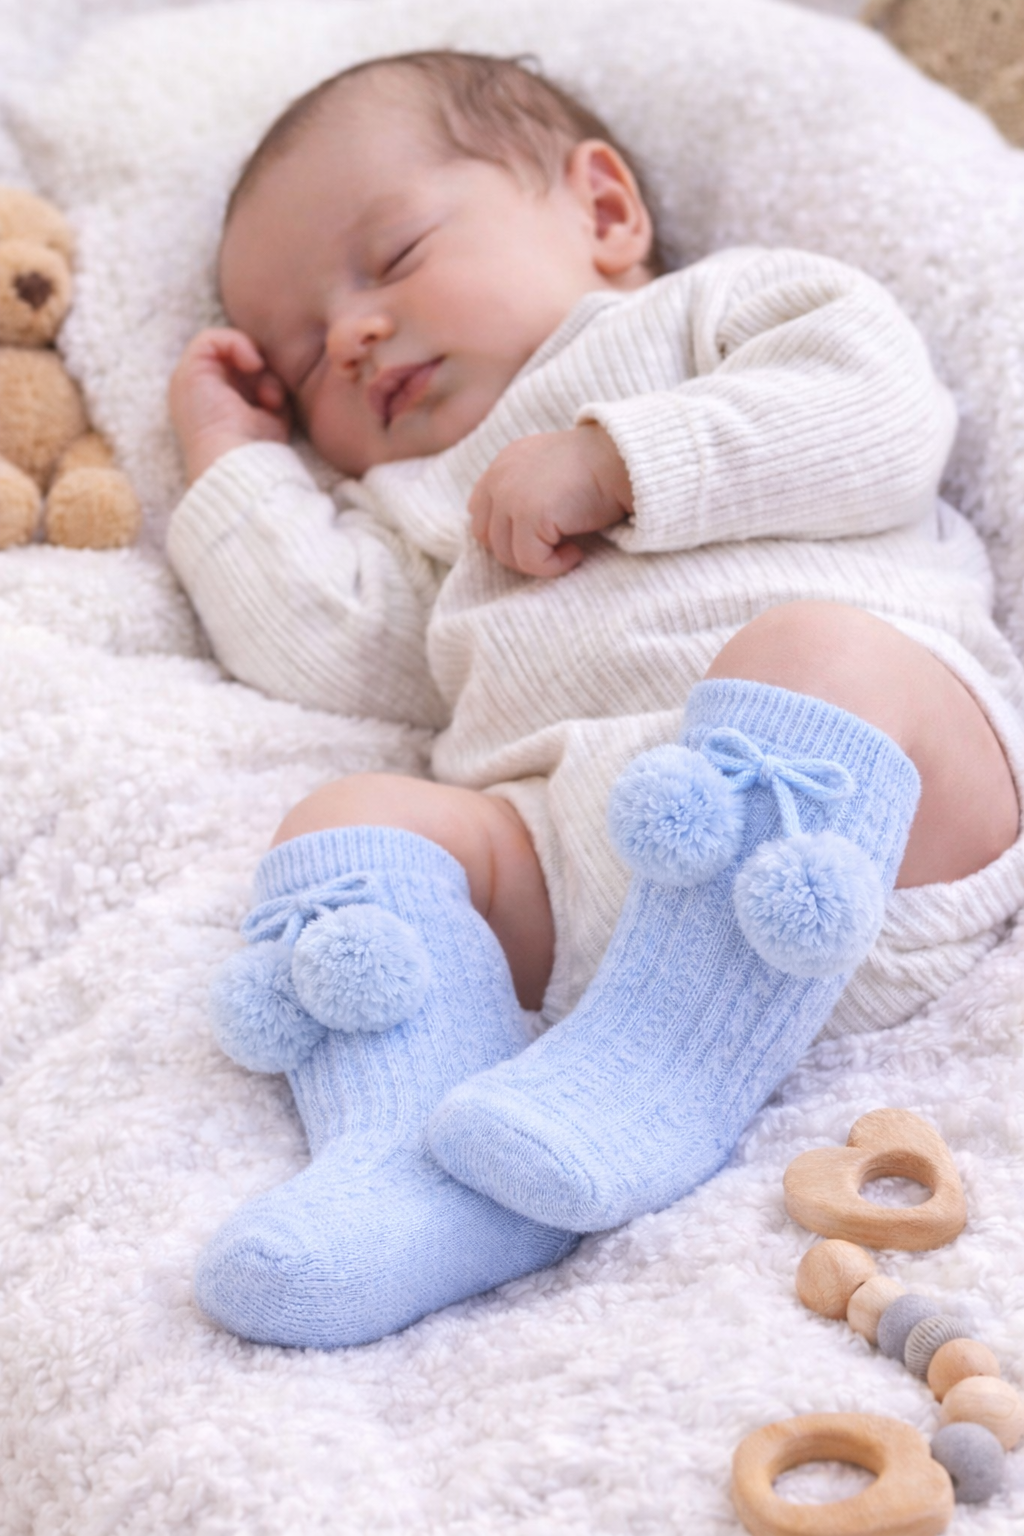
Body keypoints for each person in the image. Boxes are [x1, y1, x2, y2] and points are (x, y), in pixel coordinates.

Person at [167, 51, 1024, 1349]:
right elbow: (335, 653)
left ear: (606, 212)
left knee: (808, 648)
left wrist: (623, 460)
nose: (349, 337)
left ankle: (657, 1088)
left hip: (871, 826)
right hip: (597, 898)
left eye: (392, 257)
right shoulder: (408, 501)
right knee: (347, 819)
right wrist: (232, 465)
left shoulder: (718, 315)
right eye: (303, 365)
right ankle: (428, 1174)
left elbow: (883, 416)